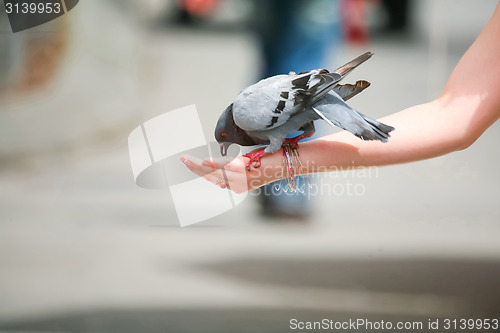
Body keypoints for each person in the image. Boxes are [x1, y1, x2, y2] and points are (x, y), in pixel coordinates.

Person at [181, 1, 500, 194]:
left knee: (284, 48)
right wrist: (271, 168)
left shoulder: (244, 116)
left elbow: (456, 116)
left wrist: (268, 163)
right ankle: (289, 195)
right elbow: (456, 115)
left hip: (309, 94)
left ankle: (289, 196)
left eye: (224, 137)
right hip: (306, 94)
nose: (225, 141)